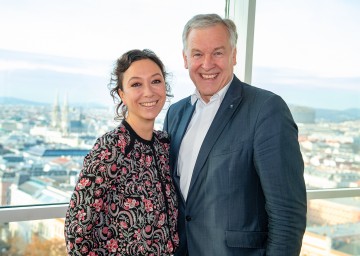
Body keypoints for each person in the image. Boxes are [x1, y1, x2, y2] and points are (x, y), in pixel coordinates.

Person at [163, 14, 307, 256]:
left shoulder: (266, 109)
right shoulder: (175, 113)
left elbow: (287, 215)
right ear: (185, 58)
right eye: (198, 54)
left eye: (218, 53)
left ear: (234, 55)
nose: (207, 64)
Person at [64, 49, 179, 256]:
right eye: (136, 84)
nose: (149, 92)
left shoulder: (164, 145)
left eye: (156, 81)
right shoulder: (111, 148)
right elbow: (77, 231)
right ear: (122, 95)